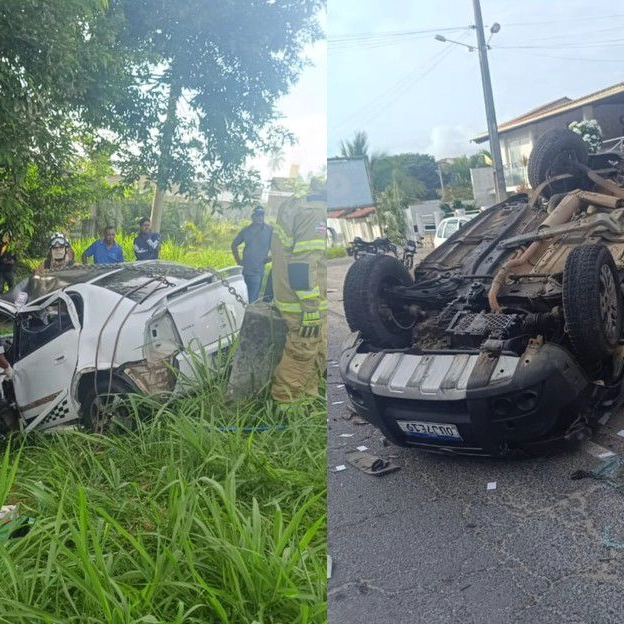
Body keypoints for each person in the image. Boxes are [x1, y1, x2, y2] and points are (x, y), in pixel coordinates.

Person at [271, 180, 327, 403]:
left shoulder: (297, 201)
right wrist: (311, 308)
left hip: (290, 294)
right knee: (303, 348)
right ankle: (288, 408)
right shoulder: (314, 211)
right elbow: (302, 266)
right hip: (302, 301)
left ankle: (307, 401)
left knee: (314, 351)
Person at [231, 206, 273, 303]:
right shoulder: (246, 230)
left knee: (252, 300)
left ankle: (248, 316)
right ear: (253, 217)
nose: (260, 218)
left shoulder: (269, 230)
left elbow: (277, 245)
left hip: (258, 271)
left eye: (262, 215)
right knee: (241, 298)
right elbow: (234, 245)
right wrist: (239, 262)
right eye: (257, 215)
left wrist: (271, 257)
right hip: (245, 270)